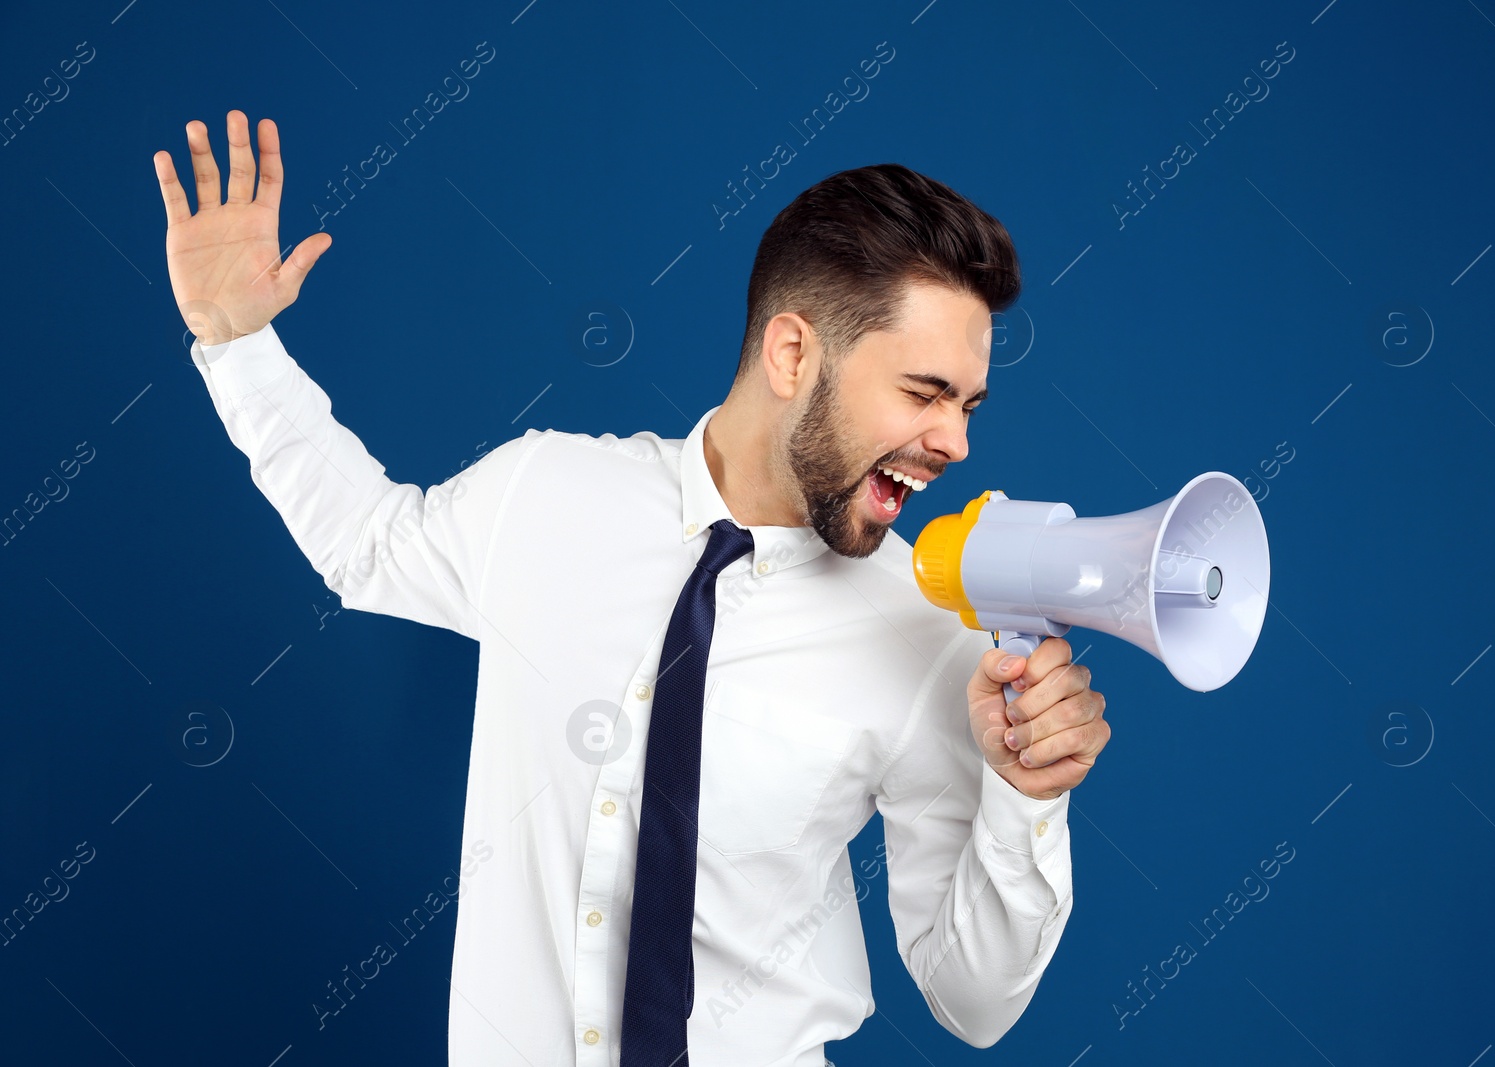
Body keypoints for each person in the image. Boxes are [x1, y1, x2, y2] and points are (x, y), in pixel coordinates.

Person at [154, 109, 1110, 1067]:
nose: (956, 442)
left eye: (968, 404)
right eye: (923, 391)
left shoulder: (927, 631)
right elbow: (367, 543)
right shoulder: (548, 490)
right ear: (791, 354)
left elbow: (973, 1000)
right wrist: (240, 348)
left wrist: (1025, 798)